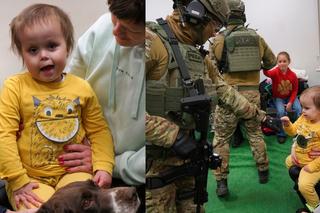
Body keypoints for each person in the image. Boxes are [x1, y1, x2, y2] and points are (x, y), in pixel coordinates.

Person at [145, 0, 281, 211]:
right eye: (215, 26)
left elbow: (223, 90)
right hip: (154, 169)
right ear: (196, 15)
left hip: (188, 161)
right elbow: (120, 107)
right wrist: (172, 135)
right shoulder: (150, 42)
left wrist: (261, 116)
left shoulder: (197, 55)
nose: (214, 33)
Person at [0, 4, 114, 210]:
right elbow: (4, 135)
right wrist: (17, 180)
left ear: (68, 46)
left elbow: (99, 131)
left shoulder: (82, 87)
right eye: (33, 50)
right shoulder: (14, 86)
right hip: (30, 179)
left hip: (73, 173)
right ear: (22, 54)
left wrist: (104, 166)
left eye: (52, 46)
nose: (43, 55)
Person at [59, 0, 145, 212]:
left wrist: (108, 163)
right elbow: (67, 92)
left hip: (132, 176)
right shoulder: (101, 28)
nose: (115, 31)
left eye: (128, 28)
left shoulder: (162, 56)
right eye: (114, 18)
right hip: (83, 164)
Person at [210, 0, 277, 197]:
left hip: (228, 97)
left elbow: (211, 69)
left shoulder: (218, 39)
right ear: (243, 14)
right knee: (255, 134)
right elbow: (271, 63)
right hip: (252, 95)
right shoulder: (257, 37)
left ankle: (221, 182)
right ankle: (263, 170)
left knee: (221, 139)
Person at [282, 86, 320, 213]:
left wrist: (312, 166)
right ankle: (297, 183)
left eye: (307, 108)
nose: (303, 111)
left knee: (304, 186)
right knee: (288, 161)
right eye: (302, 107)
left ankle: (316, 208)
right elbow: (293, 131)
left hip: (313, 164)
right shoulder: (304, 118)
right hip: (302, 157)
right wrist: (287, 125)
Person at [263, 51, 302, 144]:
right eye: (280, 61)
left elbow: (295, 91)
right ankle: (281, 133)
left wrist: (290, 102)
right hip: (279, 97)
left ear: (289, 62)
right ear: (277, 63)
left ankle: (298, 131)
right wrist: (264, 65)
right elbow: (267, 73)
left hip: (290, 96)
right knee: (281, 112)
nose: (282, 63)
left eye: (284, 61)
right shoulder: (275, 72)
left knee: (298, 109)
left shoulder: (293, 75)